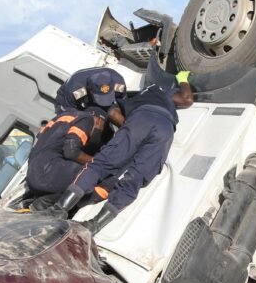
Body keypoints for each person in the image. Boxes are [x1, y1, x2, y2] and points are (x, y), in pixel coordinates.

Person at [47, 64, 193, 233]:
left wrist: (129, 133)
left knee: (100, 165)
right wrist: (184, 79)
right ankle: (94, 226)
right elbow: (187, 99)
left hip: (141, 119)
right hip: (165, 129)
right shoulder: (164, 93)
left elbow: (112, 114)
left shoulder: (135, 97)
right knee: (134, 181)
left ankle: (58, 210)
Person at [26, 68, 125, 203]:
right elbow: (71, 150)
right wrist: (96, 163)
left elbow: (121, 107)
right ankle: (51, 201)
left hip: (35, 173)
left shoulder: (119, 84)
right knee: (93, 174)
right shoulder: (75, 94)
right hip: (49, 170)